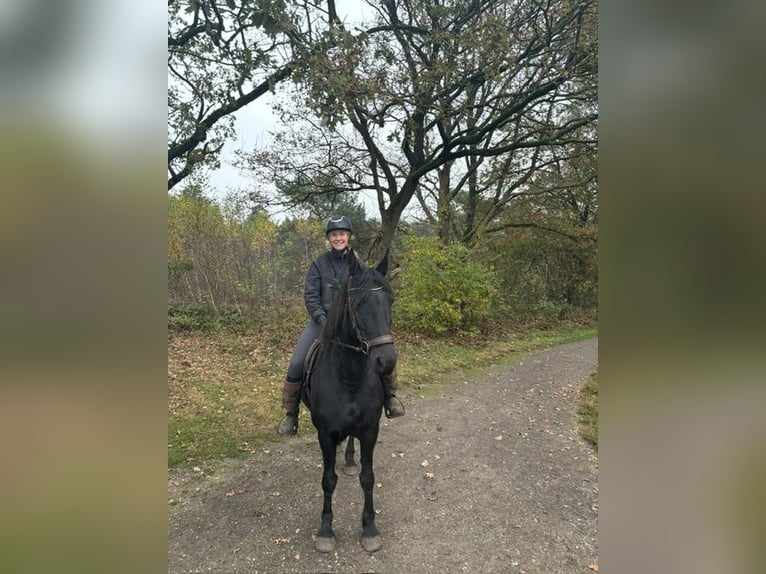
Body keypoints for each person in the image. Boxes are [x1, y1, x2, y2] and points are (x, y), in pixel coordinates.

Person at [276, 215, 405, 435]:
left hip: (352, 325)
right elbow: (311, 297)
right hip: (322, 323)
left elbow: (367, 294)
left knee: (379, 354)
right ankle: (291, 414)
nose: (338, 238)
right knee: (297, 362)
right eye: (334, 235)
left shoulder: (358, 265)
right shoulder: (319, 264)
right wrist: (323, 320)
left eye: (342, 234)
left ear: (348, 237)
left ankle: (390, 397)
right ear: (329, 238)